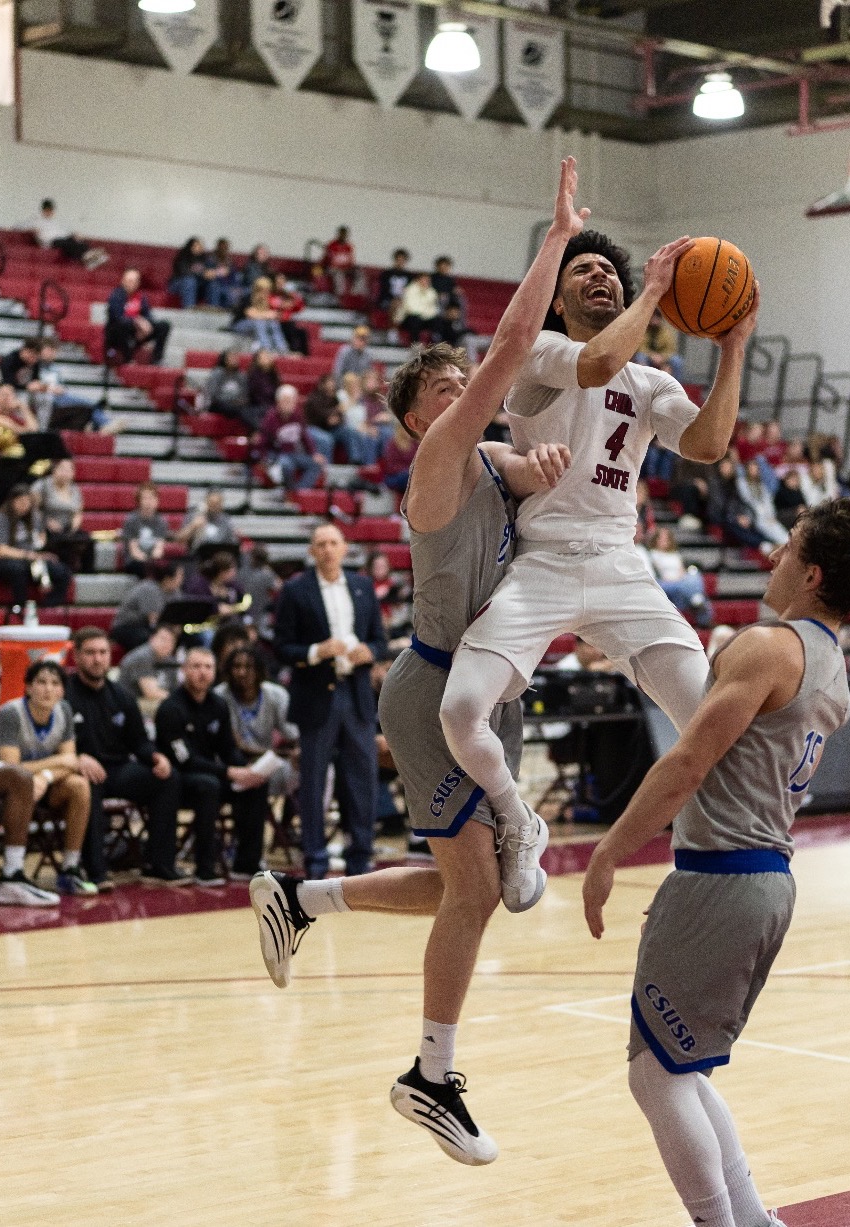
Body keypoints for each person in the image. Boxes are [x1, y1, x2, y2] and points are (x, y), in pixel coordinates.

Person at [250, 161, 590, 1165]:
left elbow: (539, 455)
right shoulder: (438, 461)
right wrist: (558, 241)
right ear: (415, 419)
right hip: (436, 689)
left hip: (494, 690)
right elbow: (517, 348)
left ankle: (301, 898)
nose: (466, 393)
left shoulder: (489, 458)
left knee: (466, 889)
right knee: (478, 893)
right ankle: (429, 1077)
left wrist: (562, 470)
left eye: (464, 386)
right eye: (447, 390)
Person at [580, 500, 850, 1227]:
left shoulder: (767, 646)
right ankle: (752, 1218)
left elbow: (688, 759)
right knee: (680, 1068)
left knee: (654, 1078)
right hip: (759, 877)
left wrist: (607, 850)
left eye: (786, 550)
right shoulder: (831, 666)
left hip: (724, 875)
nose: (772, 559)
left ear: (812, 573)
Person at [440, 225, 756, 916]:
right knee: (461, 710)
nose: (597, 277)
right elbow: (596, 364)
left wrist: (732, 347)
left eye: (606, 272)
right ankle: (517, 819)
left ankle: (712, 860)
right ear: (555, 301)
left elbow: (706, 443)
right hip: (543, 561)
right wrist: (652, 290)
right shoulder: (542, 354)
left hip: (620, 564)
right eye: (581, 270)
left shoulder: (650, 380)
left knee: (710, 719)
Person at [272, 522, 387, 881]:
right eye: (320, 543)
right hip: (316, 695)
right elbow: (282, 648)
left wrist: (371, 652)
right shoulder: (295, 591)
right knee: (313, 782)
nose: (327, 549)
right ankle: (316, 859)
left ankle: (361, 856)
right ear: (311, 551)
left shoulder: (362, 586)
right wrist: (316, 651)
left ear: (344, 548)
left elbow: (380, 641)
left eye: (333, 542)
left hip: (356, 694)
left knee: (362, 779)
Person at [65, 626, 187, 883]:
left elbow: (139, 742)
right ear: (76, 656)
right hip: (80, 770)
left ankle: (159, 864)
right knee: (88, 786)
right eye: (90, 653)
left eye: (103, 652)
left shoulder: (122, 696)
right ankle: (95, 871)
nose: (97, 659)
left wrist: (156, 757)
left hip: (119, 769)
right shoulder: (64, 696)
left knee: (167, 778)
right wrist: (77, 758)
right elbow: (56, 743)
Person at [155, 648, 266, 886]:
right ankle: (205, 867)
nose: (202, 673)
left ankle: (246, 864)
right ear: (184, 671)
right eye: (196, 667)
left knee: (255, 784)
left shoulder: (218, 704)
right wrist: (228, 772)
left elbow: (227, 749)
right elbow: (185, 760)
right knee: (209, 785)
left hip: (212, 774)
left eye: (208, 667)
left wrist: (245, 770)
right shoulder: (170, 709)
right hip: (177, 781)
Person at [0, 659, 98, 897]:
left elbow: (70, 764)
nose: (48, 689)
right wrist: (54, 765)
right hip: (4, 789)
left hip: (41, 786)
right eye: (41, 682)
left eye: (55, 683)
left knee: (79, 785)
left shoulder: (64, 711)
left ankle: (70, 868)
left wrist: (46, 776)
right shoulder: (10, 713)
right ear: (27, 687)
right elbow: (11, 768)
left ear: (62, 690)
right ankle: (13, 871)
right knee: (22, 780)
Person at [215, 645, 297, 879]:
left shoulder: (276, 695)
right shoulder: (220, 696)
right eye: (236, 667)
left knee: (312, 769)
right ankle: (245, 853)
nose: (242, 672)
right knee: (252, 780)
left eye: (248, 667)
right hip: (232, 767)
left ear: (260, 670)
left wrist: (292, 753)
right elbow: (232, 743)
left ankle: (294, 832)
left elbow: (292, 736)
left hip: (269, 763)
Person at [0, 484, 72, 611]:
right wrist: (29, 555)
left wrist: (41, 557)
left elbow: (39, 544)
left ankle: (47, 608)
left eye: (27, 502)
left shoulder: (33, 518)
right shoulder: (1, 518)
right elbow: (0, 551)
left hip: (30, 560)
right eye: (21, 501)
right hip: (1, 561)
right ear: (12, 501)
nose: (24, 505)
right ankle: (20, 608)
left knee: (62, 571)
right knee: (18, 569)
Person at [257, 386, 325, 491]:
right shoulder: (270, 418)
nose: (289, 404)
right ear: (279, 402)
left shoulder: (297, 416)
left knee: (317, 464)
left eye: (292, 401)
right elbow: (262, 441)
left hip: (293, 453)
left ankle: (299, 491)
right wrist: (263, 458)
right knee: (286, 465)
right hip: (276, 454)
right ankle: (290, 492)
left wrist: (313, 453)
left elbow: (305, 436)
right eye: (286, 401)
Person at [111, 561, 183, 651]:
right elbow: (153, 621)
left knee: (188, 637)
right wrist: (170, 633)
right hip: (128, 627)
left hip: (150, 627)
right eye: (180, 576)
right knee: (151, 639)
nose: (182, 579)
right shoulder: (149, 589)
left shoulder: (176, 592)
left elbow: (177, 616)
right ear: (167, 578)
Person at [105, 269, 170, 363]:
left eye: (135, 281)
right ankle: (127, 358)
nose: (132, 284)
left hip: (138, 332)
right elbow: (117, 318)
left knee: (163, 325)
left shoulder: (141, 297)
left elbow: (148, 315)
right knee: (123, 325)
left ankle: (157, 359)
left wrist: (145, 324)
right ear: (123, 281)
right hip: (118, 333)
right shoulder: (115, 296)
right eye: (129, 281)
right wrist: (137, 322)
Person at [117, 482, 177, 578]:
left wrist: (153, 562)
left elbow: (159, 549)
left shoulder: (161, 521)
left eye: (152, 498)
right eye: (145, 498)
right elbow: (134, 551)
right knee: (145, 568)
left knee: (172, 569)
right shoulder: (131, 520)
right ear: (139, 501)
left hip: (152, 560)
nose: (148, 502)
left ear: (157, 500)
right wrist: (149, 563)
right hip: (134, 561)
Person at [33, 199, 108, 269]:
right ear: (43, 210)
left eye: (51, 210)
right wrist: (38, 237)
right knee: (68, 243)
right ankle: (88, 257)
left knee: (78, 240)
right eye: (47, 210)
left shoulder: (55, 222)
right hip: (51, 241)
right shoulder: (37, 221)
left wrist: (73, 234)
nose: (50, 212)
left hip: (60, 238)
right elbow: (36, 235)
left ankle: (90, 256)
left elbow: (62, 232)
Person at [119, 623, 180, 707]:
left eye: (171, 641)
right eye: (163, 639)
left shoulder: (170, 660)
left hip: (160, 701)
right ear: (152, 639)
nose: (167, 644)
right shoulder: (142, 657)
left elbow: (174, 689)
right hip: (134, 703)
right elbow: (151, 693)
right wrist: (180, 700)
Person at [202, 350, 257, 430]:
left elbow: (245, 395)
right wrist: (231, 401)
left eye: (235, 357)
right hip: (218, 405)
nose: (234, 360)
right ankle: (256, 430)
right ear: (224, 359)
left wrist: (239, 401)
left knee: (250, 408)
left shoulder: (241, 375)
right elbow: (213, 395)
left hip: (236, 405)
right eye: (231, 357)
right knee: (239, 410)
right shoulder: (217, 373)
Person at [234, 276, 289, 353]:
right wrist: (268, 315)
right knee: (259, 323)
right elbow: (251, 314)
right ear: (257, 290)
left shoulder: (267, 300)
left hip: (257, 323)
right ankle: (266, 349)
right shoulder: (248, 297)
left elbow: (274, 315)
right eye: (263, 291)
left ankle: (282, 349)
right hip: (240, 324)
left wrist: (271, 315)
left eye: (267, 291)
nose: (265, 293)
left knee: (273, 323)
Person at [323, 225, 356, 296]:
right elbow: (328, 260)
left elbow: (350, 261)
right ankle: (340, 296)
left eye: (345, 234)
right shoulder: (331, 245)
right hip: (333, 268)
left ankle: (355, 295)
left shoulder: (348, 247)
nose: (343, 236)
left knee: (358, 273)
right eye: (341, 234)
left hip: (346, 269)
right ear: (339, 234)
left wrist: (349, 268)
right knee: (339, 274)